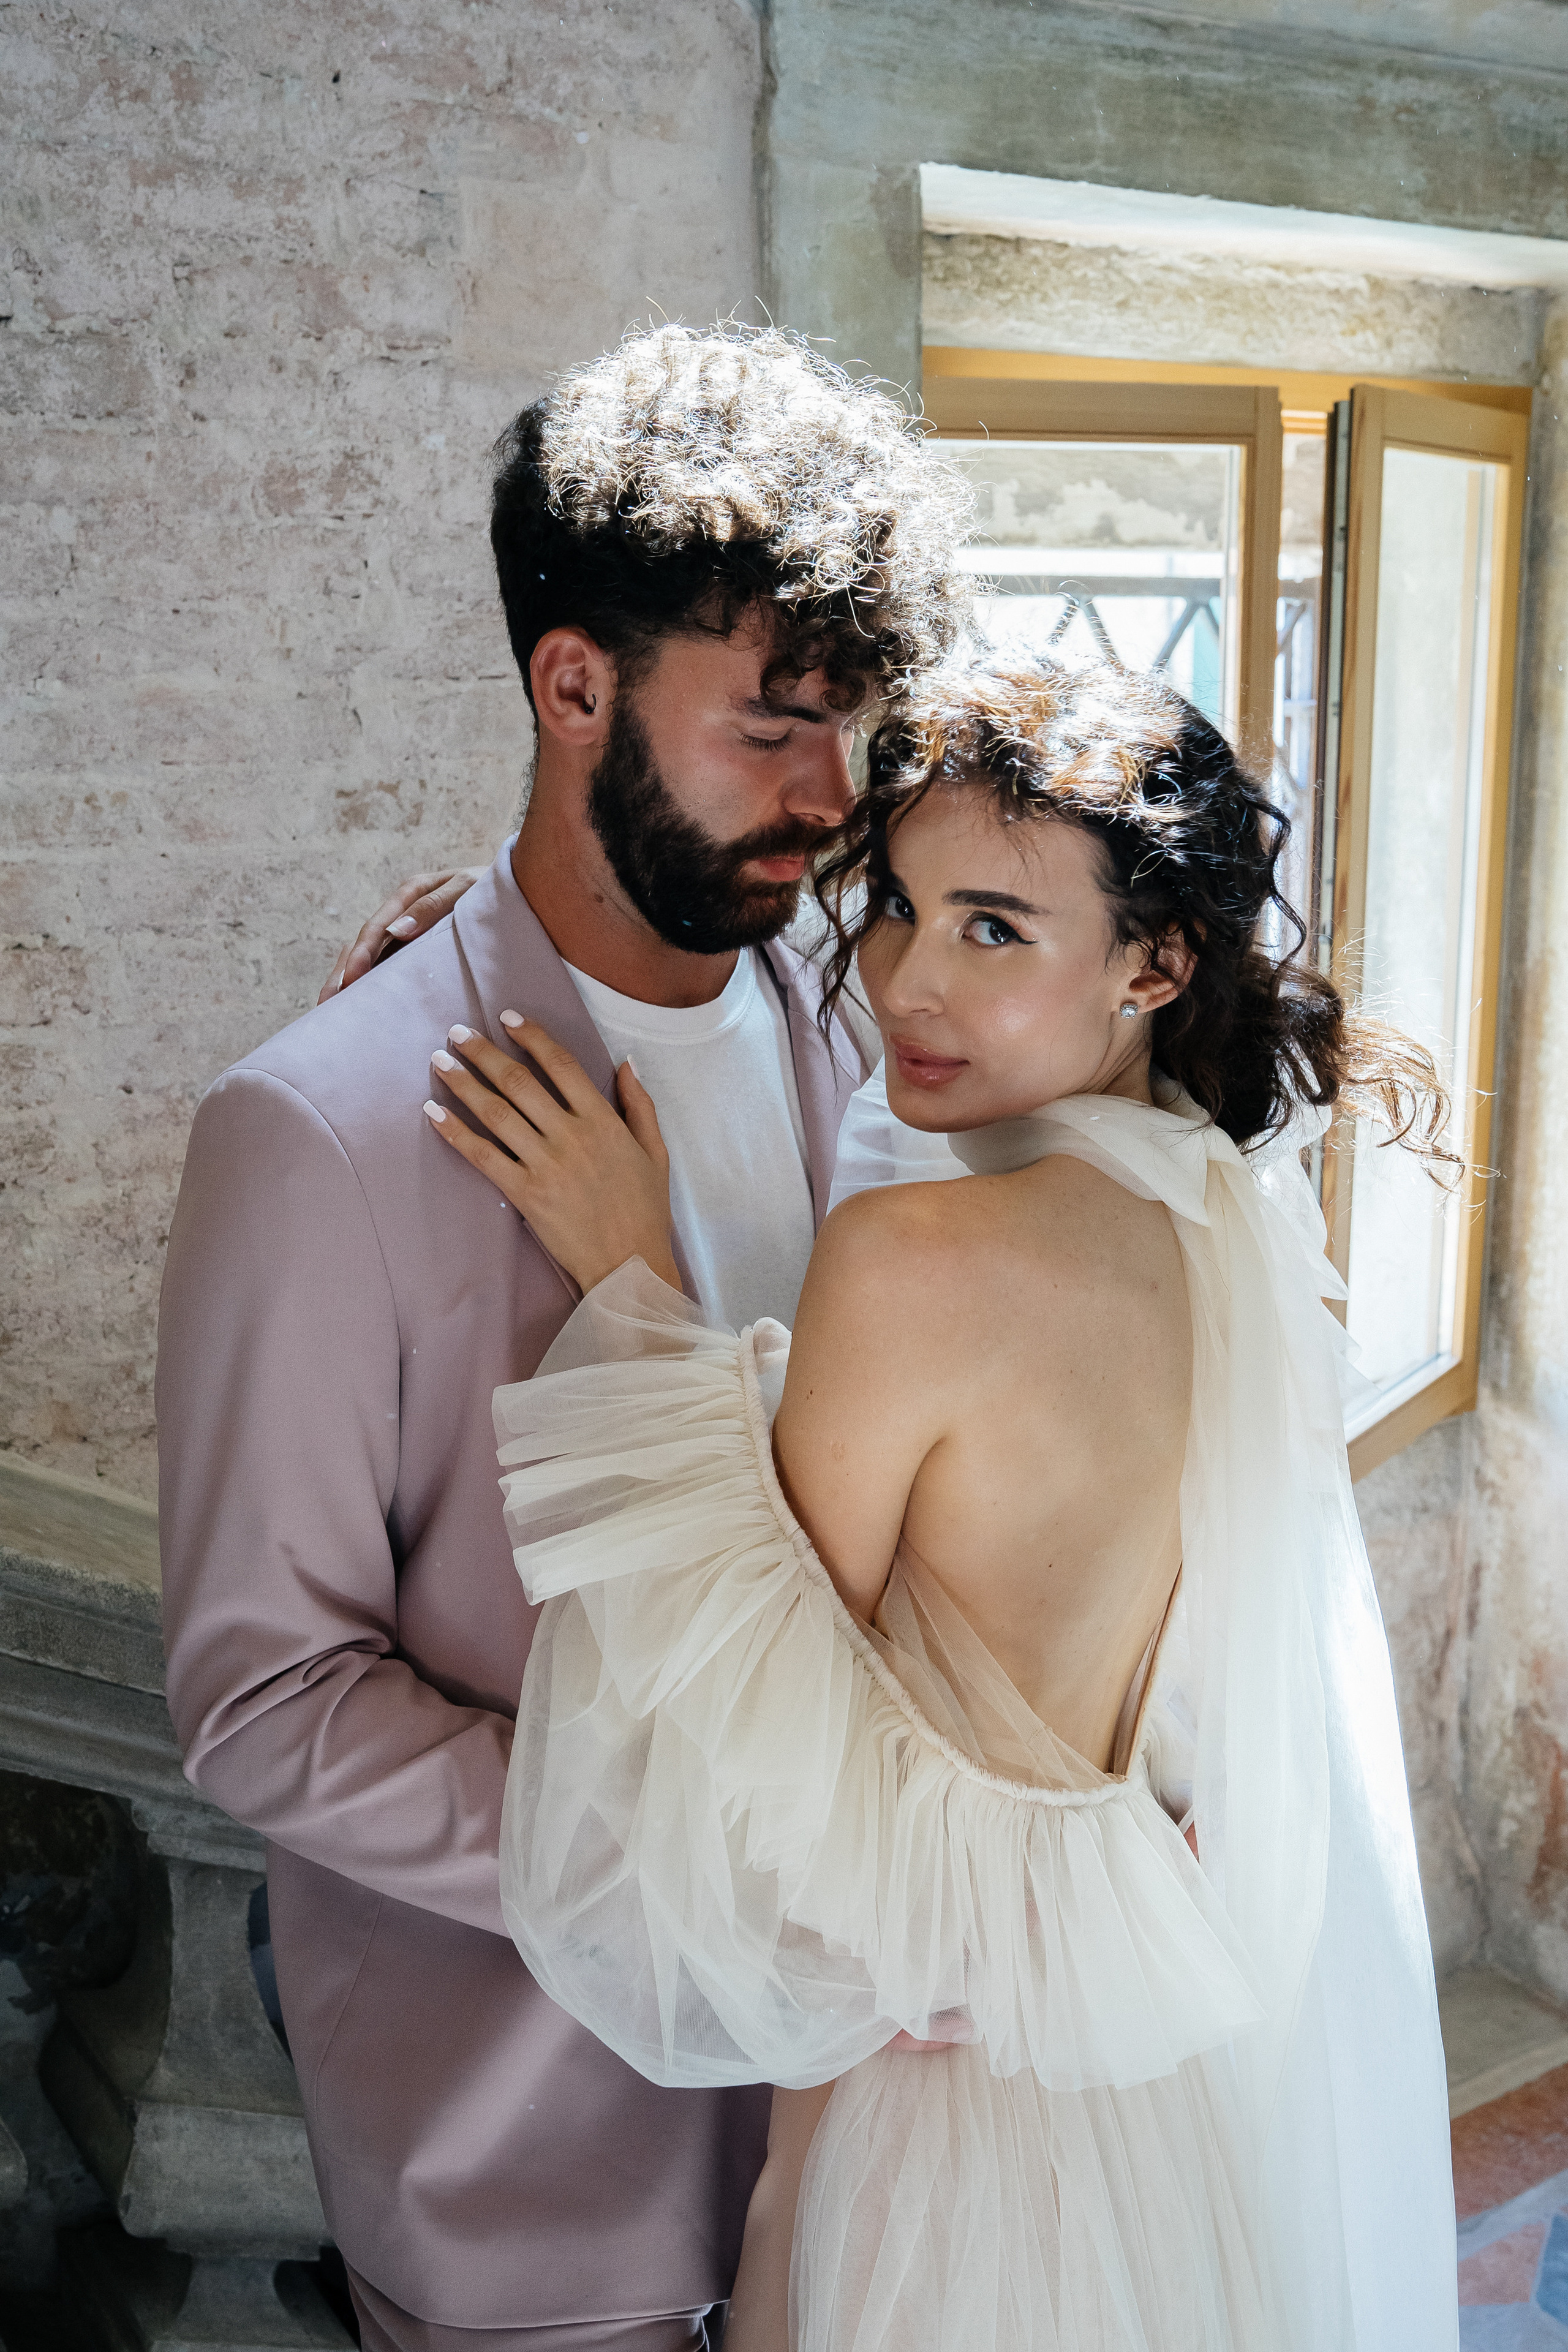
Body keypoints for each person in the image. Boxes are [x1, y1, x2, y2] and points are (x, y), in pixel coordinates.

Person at [424, 659, 1461, 2350]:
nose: (903, 978)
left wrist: (633, 1277)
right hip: (1143, 2112)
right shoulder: (1225, 1218)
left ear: (1154, 961)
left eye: (994, 929)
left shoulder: (920, 1256)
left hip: (949, 2147)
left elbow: (753, 1744)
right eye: (898, 908)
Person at [156, 322, 969, 2352]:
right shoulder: (319, 1131)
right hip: (535, 2183)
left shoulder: (862, 1024)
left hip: (866, 2150)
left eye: (850, 724)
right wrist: (680, 1871)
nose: (829, 795)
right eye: (773, 723)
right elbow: (264, 1700)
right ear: (573, 685)